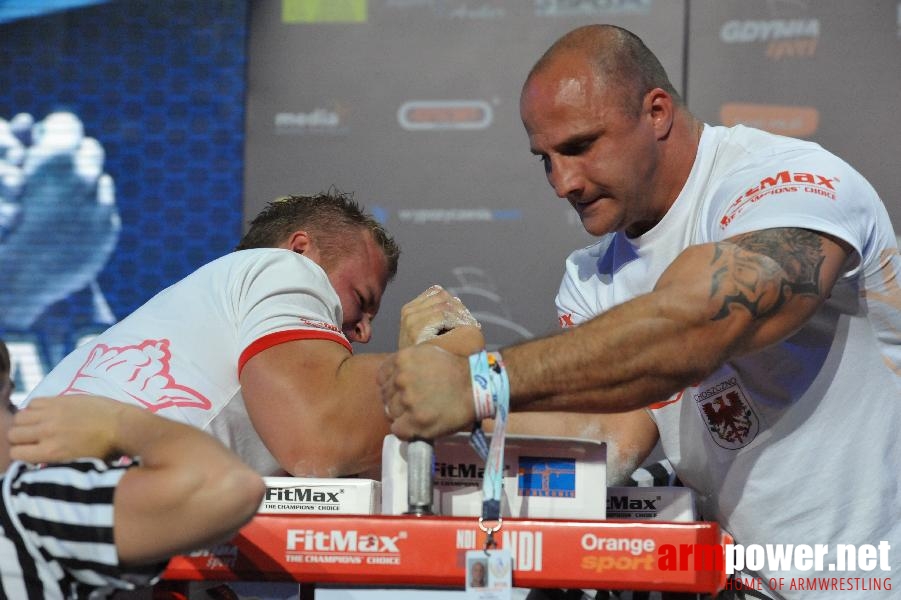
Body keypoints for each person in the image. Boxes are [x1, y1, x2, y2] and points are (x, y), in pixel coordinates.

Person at [379, 24, 900, 597]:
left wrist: (481, 381)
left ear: (656, 112)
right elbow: (613, 434)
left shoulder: (788, 183)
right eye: (545, 159)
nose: (562, 182)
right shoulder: (591, 275)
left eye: (579, 146)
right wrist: (428, 394)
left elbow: (696, 327)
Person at [26, 190, 482, 477]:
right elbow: (319, 446)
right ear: (301, 249)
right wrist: (444, 353)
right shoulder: (281, 267)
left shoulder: (203, 314)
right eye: (362, 300)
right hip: (65, 521)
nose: (364, 331)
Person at [0, 390, 265, 598]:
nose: (20, 417)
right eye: (9, 403)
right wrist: (115, 423)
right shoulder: (24, 505)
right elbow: (230, 485)